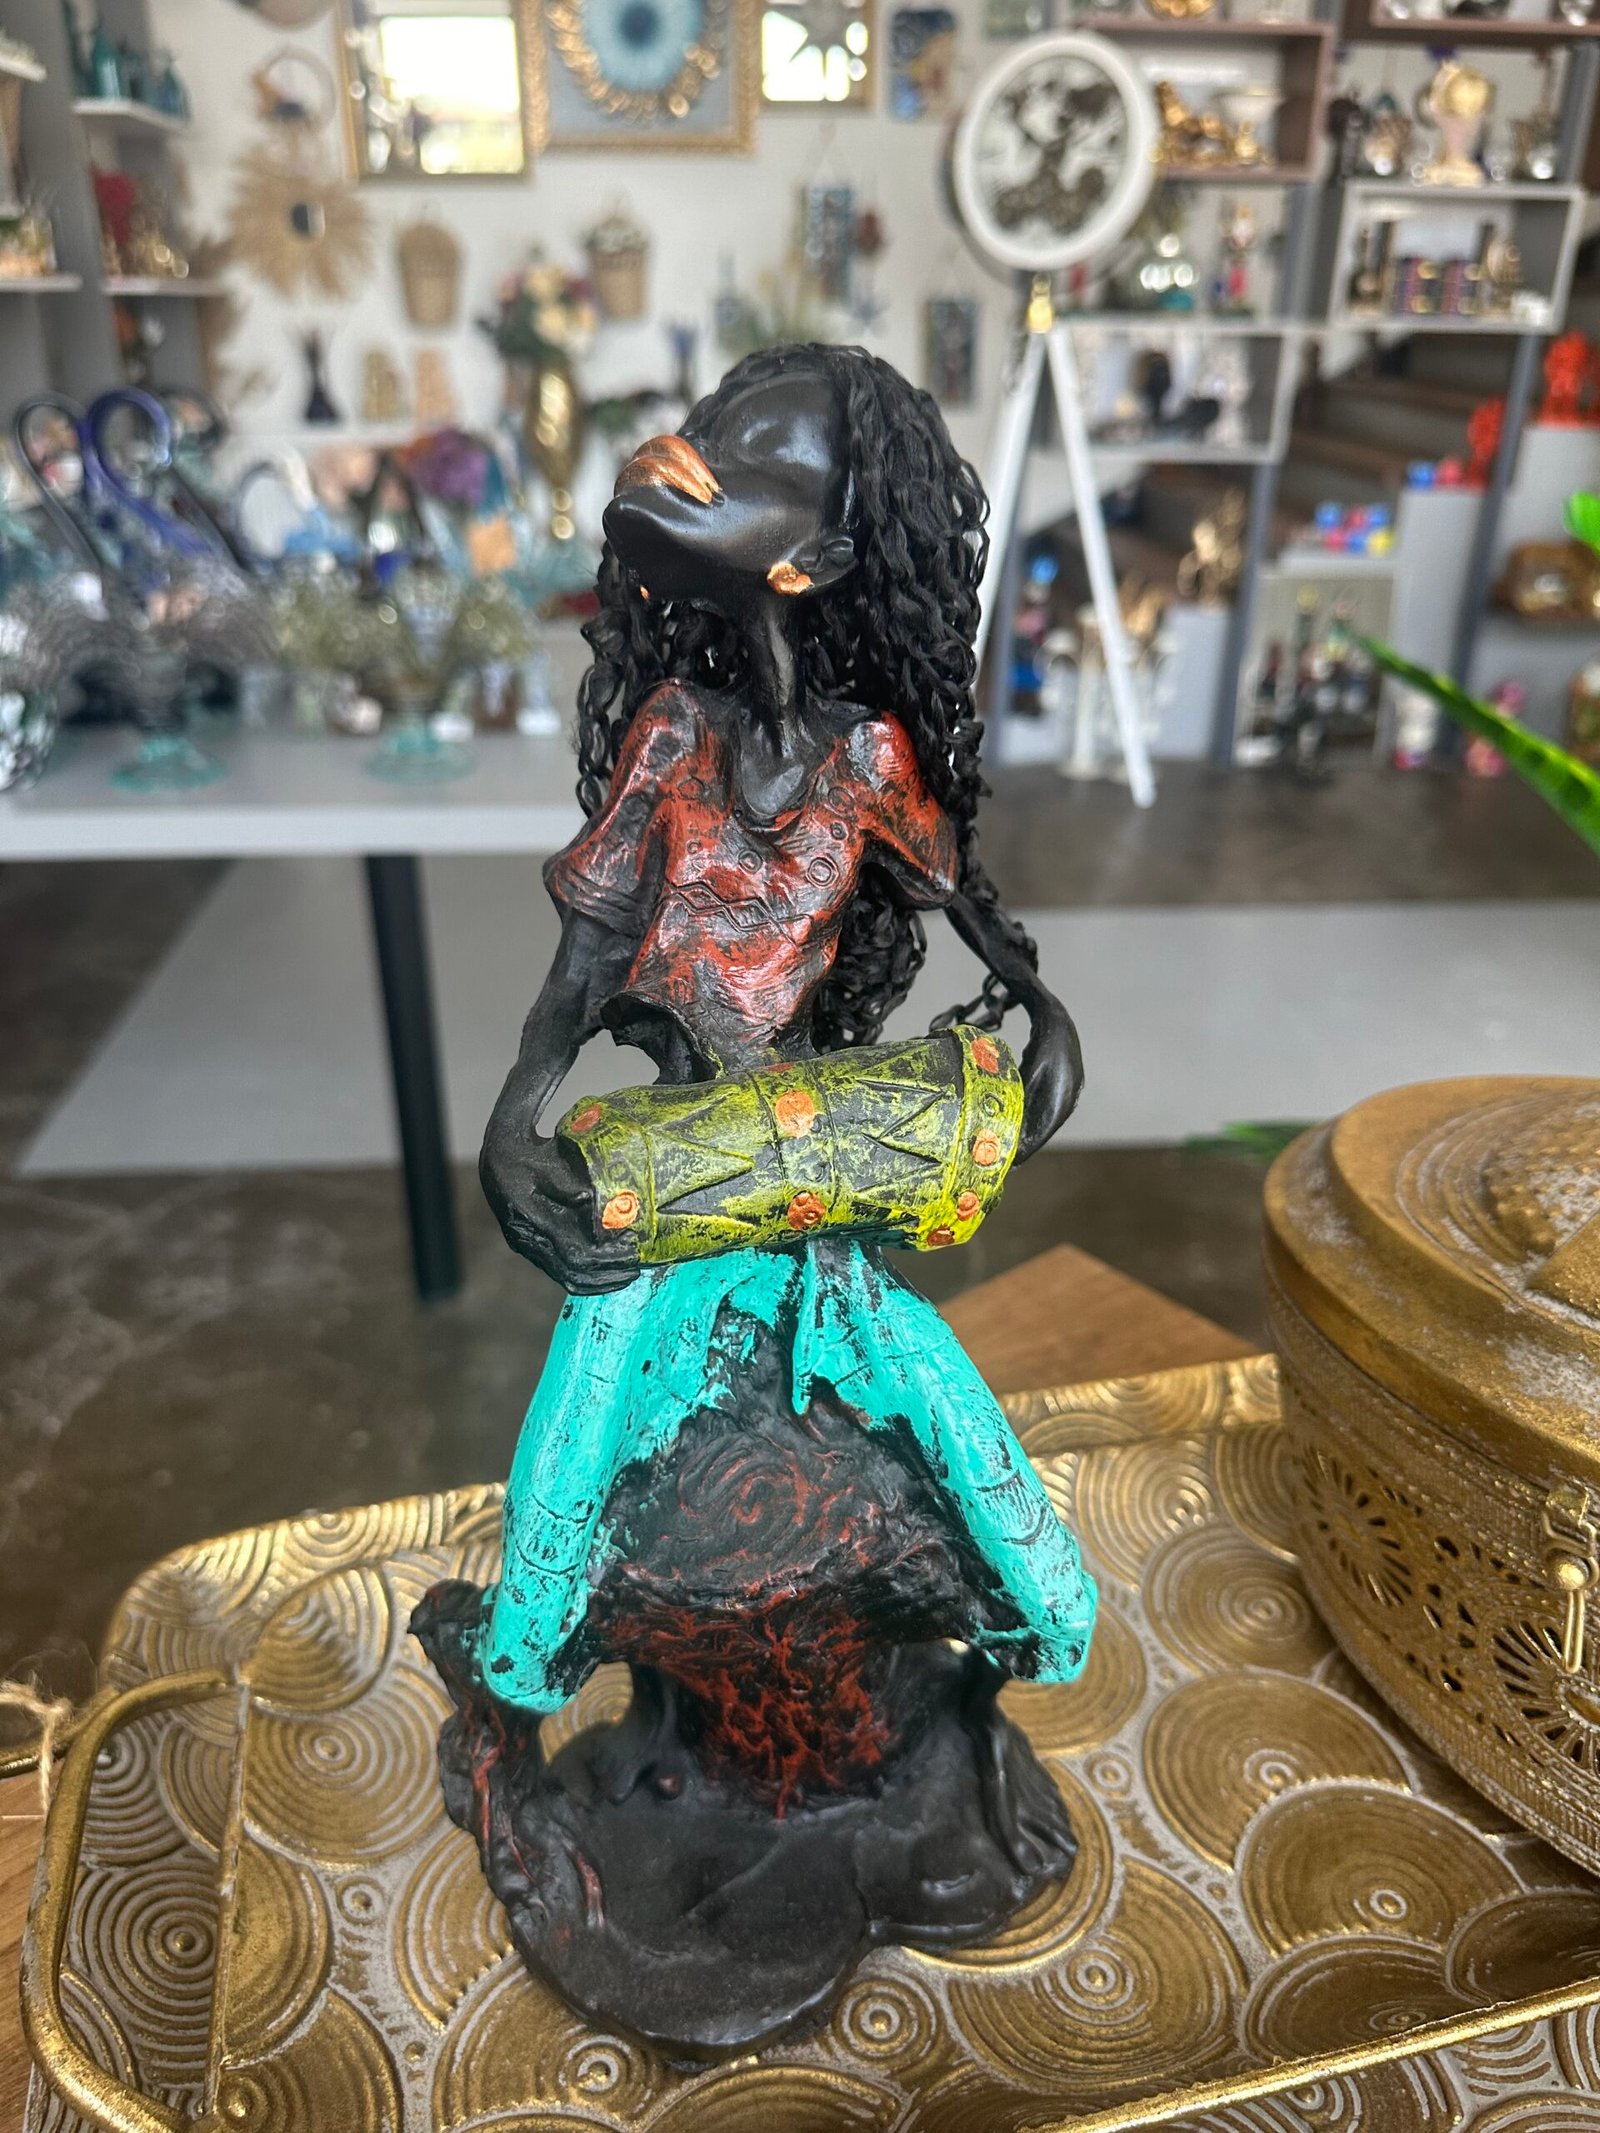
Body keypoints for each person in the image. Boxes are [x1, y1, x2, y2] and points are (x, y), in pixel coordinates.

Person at [472, 342, 1097, 1716]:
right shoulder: (671, 738)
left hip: (810, 1159)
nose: (690, 463)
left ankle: (1038, 1616)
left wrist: (1039, 1006)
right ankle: (521, 1661)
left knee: (922, 1389)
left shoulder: (867, 761)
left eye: (749, 461)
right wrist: (516, 1118)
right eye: (710, 436)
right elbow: (587, 952)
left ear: (817, 560)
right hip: (670, 1163)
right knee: (582, 1414)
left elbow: (963, 897)